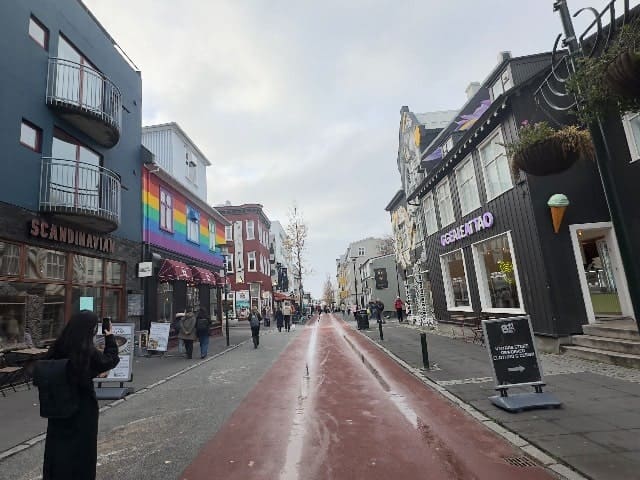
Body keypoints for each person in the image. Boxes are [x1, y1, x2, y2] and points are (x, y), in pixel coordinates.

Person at [42, 310, 120, 480]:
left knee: (57, 449)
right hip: (82, 409)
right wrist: (109, 337)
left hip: (58, 406)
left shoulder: (57, 347)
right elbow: (110, 360)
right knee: (82, 452)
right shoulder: (86, 351)